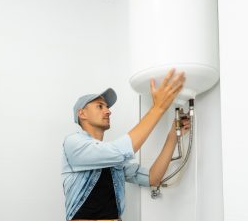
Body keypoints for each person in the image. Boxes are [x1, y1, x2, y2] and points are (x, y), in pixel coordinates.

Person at [61, 69, 190, 221]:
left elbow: (153, 178)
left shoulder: (114, 163)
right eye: (100, 106)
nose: (108, 111)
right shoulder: (73, 144)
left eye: (107, 107)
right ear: (82, 113)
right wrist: (158, 108)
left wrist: (173, 136)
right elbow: (120, 151)